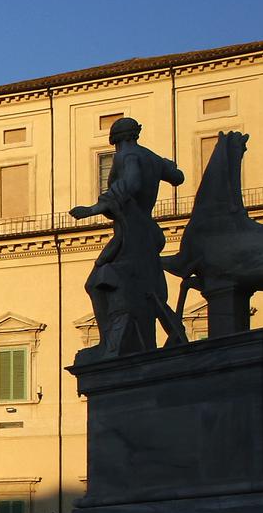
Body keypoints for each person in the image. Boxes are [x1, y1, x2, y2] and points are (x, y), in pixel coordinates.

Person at [69, 117, 185, 361]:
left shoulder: (126, 156)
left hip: (132, 229)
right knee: (143, 286)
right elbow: (178, 177)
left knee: (98, 282)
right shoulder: (150, 157)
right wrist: (165, 166)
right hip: (147, 230)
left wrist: (92, 210)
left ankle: (109, 343)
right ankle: (132, 340)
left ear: (116, 140)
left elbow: (130, 184)